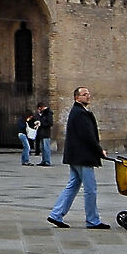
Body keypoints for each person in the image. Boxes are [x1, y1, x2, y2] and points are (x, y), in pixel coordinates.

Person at [47, 87, 109, 228]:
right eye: (84, 94)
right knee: (90, 189)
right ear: (77, 98)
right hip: (83, 157)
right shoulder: (80, 113)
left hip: (76, 157)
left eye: (88, 94)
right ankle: (93, 220)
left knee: (73, 185)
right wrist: (99, 151)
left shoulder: (78, 112)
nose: (88, 96)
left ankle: (56, 214)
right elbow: (88, 136)